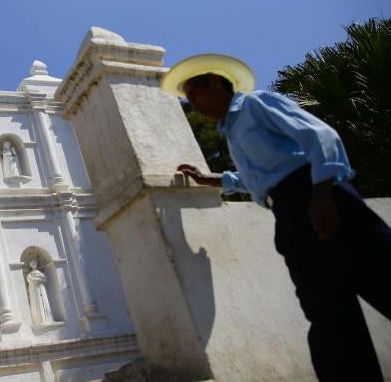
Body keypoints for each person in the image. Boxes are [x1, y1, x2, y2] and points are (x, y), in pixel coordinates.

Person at [160, 53, 391, 382]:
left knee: (379, 274)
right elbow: (261, 176)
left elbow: (319, 136)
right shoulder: (233, 131)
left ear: (215, 82)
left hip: (317, 195)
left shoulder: (256, 105)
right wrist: (216, 180)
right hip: (289, 212)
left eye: (194, 95)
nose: (194, 106)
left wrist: (322, 193)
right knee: (326, 313)